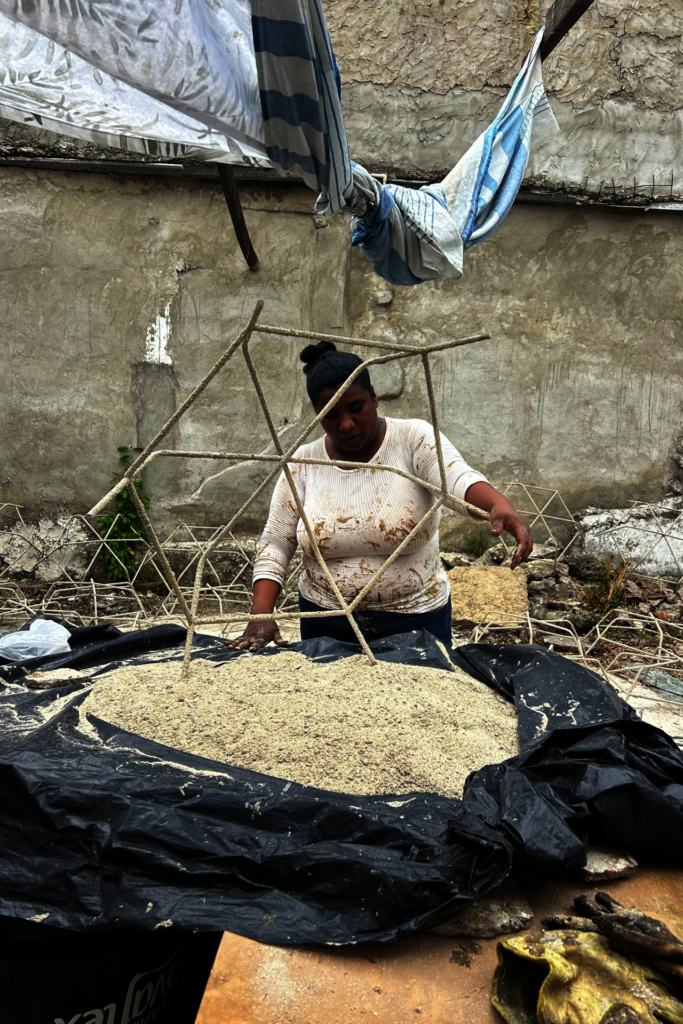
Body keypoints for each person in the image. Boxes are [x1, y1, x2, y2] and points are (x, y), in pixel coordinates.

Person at [225, 342, 532, 652]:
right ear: (318, 415)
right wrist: (261, 614)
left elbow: (455, 479)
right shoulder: (304, 463)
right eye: (331, 415)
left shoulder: (412, 439)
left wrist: (498, 504)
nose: (346, 424)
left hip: (415, 621)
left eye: (356, 408)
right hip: (325, 622)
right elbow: (277, 542)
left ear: (373, 397)